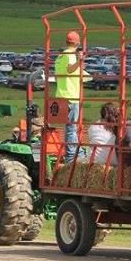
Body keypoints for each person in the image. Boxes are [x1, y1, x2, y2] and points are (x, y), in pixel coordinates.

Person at [54, 30, 90, 163]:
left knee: (70, 127)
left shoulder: (60, 56)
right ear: (77, 43)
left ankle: (74, 152)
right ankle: (72, 155)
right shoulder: (70, 55)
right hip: (71, 95)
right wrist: (80, 60)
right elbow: (70, 69)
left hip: (62, 94)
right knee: (71, 127)